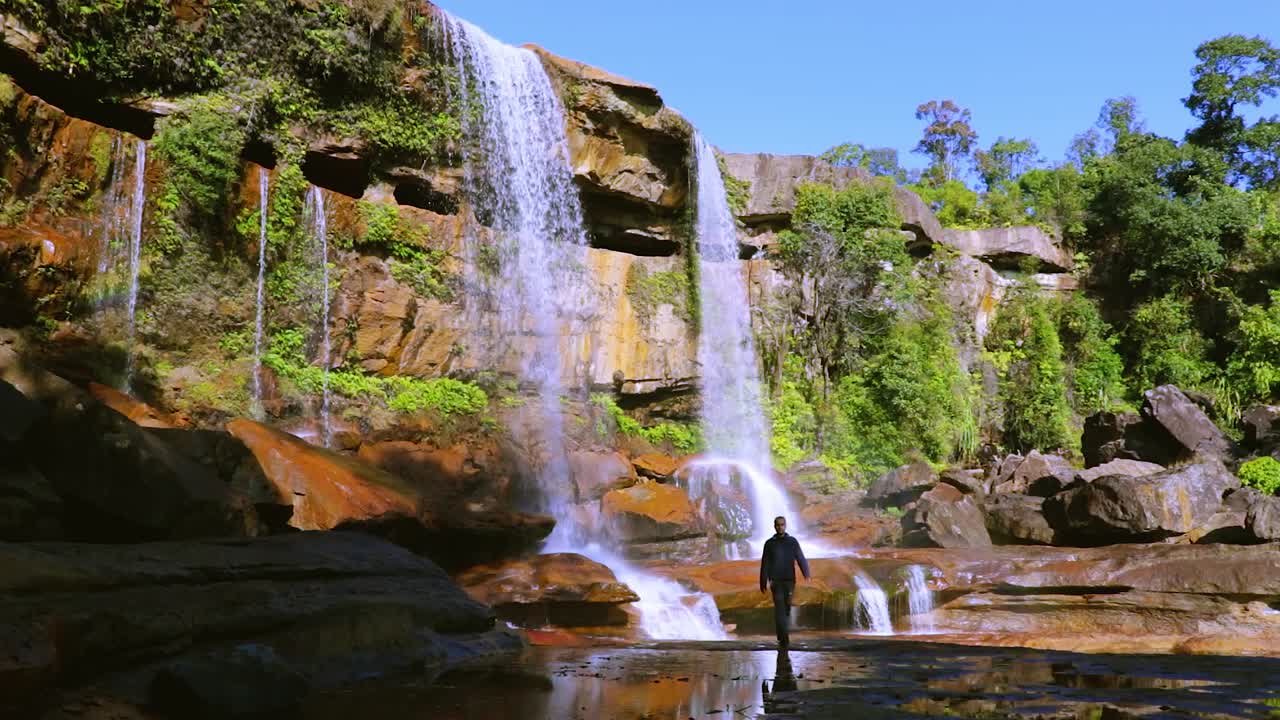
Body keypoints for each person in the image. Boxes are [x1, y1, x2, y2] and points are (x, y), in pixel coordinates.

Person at [759, 516, 810, 649]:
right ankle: (783, 638)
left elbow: (800, 557)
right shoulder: (769, 543)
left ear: (785, 526)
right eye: (777, 525)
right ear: (774, 526)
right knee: (779, 609)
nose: (780, 527)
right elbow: (765, 563)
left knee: (786, 608)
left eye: (782, 525)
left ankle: (782, 633)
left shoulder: (792, 542)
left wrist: (806, 573)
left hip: (789, 581)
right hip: (775, 582)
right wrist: (763, 581)